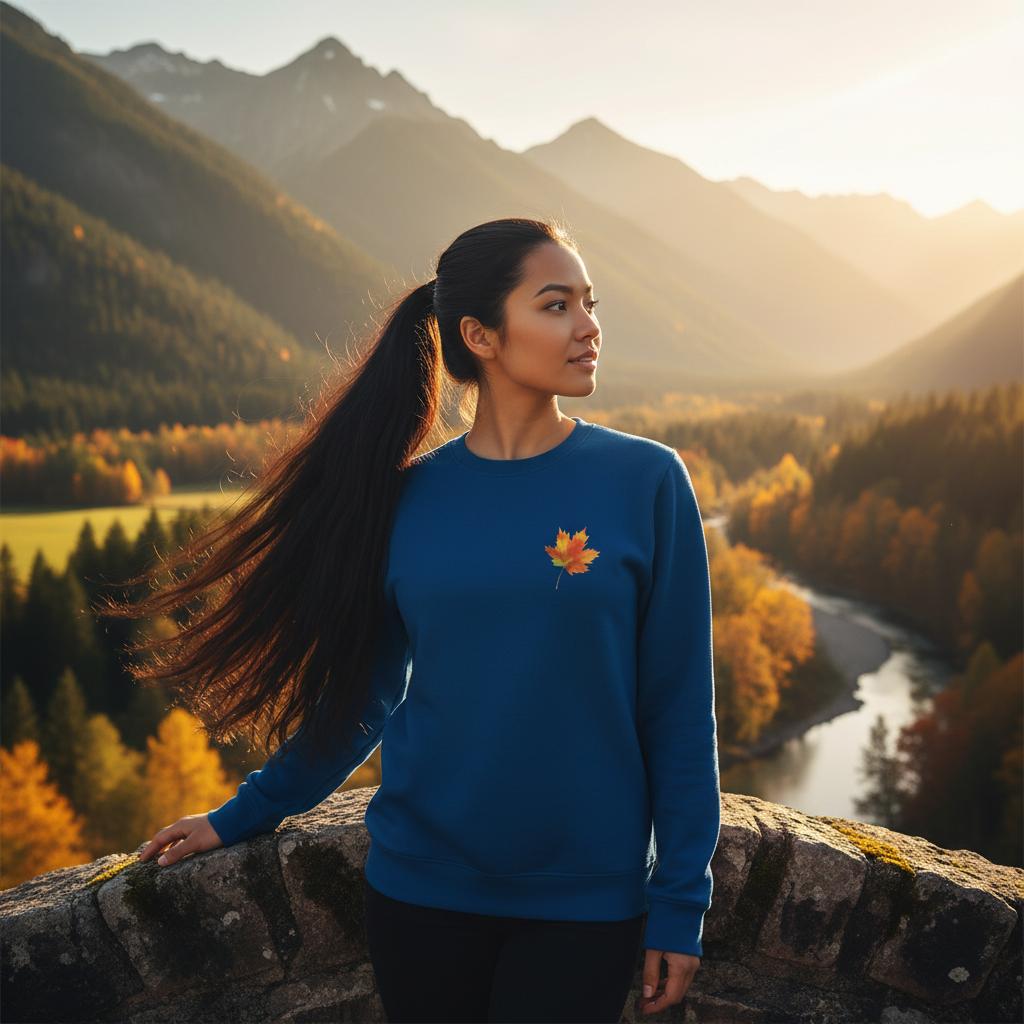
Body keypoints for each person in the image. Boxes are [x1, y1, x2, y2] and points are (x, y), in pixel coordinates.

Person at [114, 217, 721, 1022]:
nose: (588, 326)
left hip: (586, 902)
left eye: (589, 302)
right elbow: (366, 698)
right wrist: (242, 815)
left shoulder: (647, 482)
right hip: (420, 894)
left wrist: (679, 900)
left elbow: (679, 709)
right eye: (557, 305)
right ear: (481, 335)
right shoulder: (403, 499)